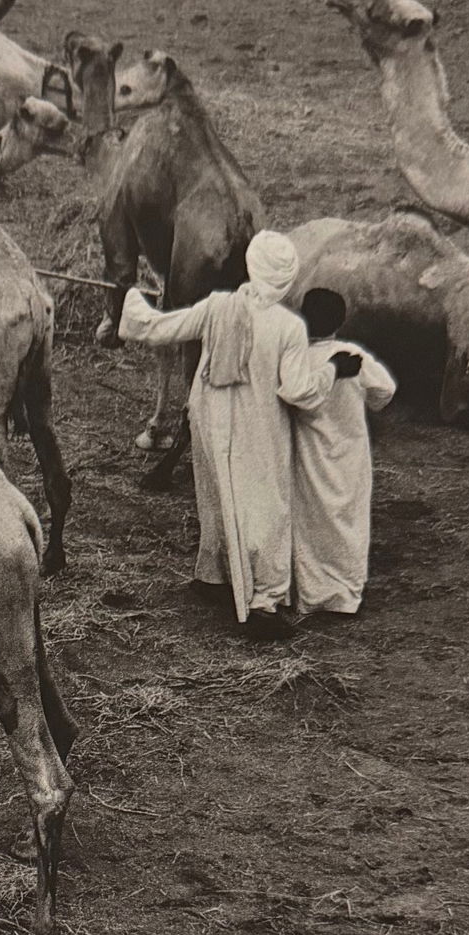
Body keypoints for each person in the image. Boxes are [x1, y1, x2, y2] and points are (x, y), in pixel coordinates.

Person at [119, 230, 308, 639]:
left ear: (252, 267)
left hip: (210, 414)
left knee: (215, 491)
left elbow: (160, 328)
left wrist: (132, 301)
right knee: (268, 504)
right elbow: (296, 391)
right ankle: (264, 603)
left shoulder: (217, 306)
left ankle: (213, 574)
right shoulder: (290, 327)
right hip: (260, 422)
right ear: (287, 278)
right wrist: (327, 376)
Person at [279, 288, 396, 616]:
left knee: (311, 518)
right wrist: (366, 402)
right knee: (350, 518)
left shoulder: (297, 358)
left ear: (303, 318)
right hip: (349, 450)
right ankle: (346, 594)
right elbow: (385, 390)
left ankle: (312, 592)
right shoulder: (352, 354)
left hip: (311, 451)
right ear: (342, 320)